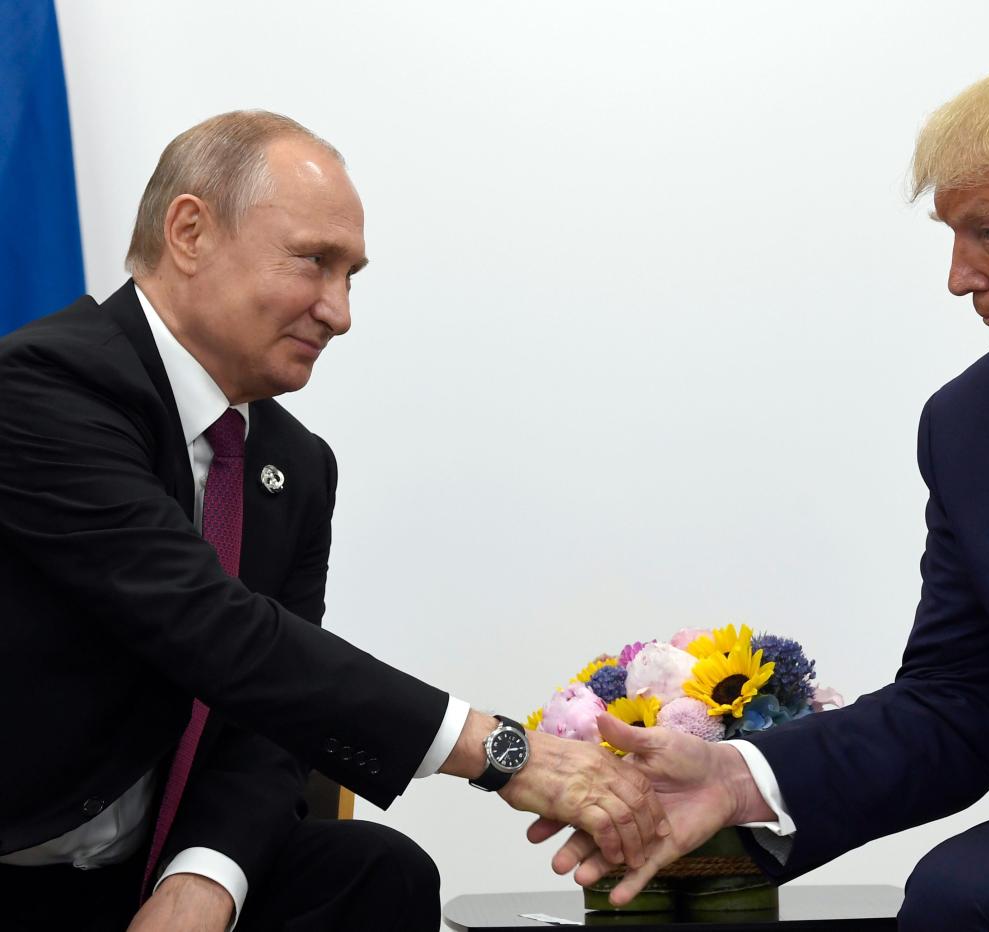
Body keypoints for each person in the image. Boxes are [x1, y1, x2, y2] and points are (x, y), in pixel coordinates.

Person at [543, 57, 989, 930]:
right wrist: (738, 777)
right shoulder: (976, 429)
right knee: (969, 897)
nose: (959, 276)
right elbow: (955, 703)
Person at [0, 111, 666, 932]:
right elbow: (214, 629)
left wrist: (204, 880)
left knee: (376, 875)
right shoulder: (41, 388)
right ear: (190, 232)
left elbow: (270, 718)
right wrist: (500, 753)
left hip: (140, 871)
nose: (340, 311)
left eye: (352, 275)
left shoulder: (294, 465)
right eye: (316, 263)